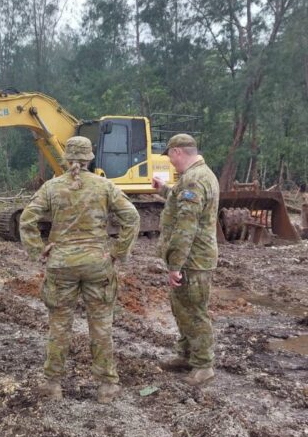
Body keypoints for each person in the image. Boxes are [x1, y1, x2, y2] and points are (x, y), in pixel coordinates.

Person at [19, 136, 140, 403]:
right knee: (101, 325)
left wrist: (38, 250)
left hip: (61, 265)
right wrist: (118, 252)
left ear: (66, 159)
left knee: (59, 326)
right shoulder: (105, 186)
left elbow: (27, 220)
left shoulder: (52, 188)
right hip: (98, 264)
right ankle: (107, 387)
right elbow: (131, 217)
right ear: (89, 158)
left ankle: (53, 385)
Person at [151, 133, 219, 386]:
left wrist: (174, 266)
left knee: (194, 312)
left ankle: (203, 366)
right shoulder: (198, 176)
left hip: (192, 261)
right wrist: (164, 189)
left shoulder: (193, 181)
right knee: (182, 309)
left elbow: (185, 227)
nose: (170, 161)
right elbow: (182, 200)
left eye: (169, 155)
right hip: (193, 259)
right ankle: (185, 355)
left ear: (178, 152)